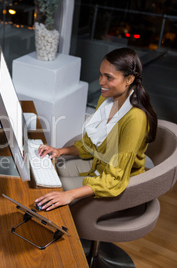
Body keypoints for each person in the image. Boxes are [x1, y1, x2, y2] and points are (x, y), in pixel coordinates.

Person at [35, 47, 157, 211]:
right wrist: (59, 151)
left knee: (54, 191)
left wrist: (69, 194)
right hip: (98, 164)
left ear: (129, 80)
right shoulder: (107, 98)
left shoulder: (135, 118)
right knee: (49, 172)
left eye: (109, 77)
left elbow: (115, 177)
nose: (101, 82)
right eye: (101, 74)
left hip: (117, 180)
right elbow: (91, 146)